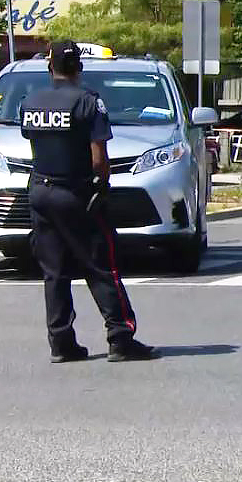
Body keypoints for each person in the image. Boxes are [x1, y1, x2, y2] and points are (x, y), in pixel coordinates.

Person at [20, 40, 157, 363]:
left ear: (49, 67)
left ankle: (61, 342)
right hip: (76, 193)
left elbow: (33, 141)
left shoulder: (31, 102)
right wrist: (102, 186)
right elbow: (99, 156)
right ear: (79, 68)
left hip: (40, 191)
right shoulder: (88, 102)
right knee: (101, 266)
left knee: (54, 271)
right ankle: (120, 337)